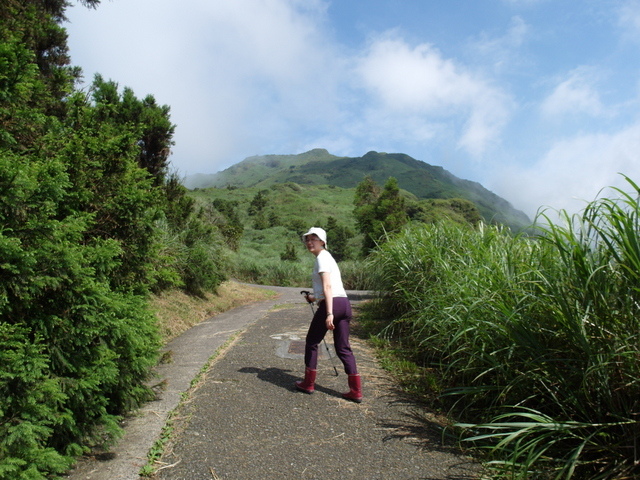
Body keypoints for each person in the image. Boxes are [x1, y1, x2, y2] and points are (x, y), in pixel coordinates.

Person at [295, 227, 362, 403]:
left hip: (332, 305)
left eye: (314, 239)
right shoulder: (328, 257)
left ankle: (308, 384)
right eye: (307, 239)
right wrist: (313, 297)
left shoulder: (322, 258)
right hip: (344, 304)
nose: (310, 242)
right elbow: (329, 290)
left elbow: (328, 287)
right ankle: (356, 391)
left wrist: (329, 313)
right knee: (343, 348)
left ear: (322, 241)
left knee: (311, 342)